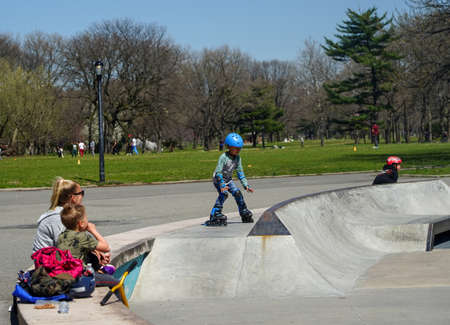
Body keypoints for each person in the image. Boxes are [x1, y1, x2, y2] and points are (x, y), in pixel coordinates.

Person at [57, 203, 118, 287]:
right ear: (81, 223)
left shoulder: (61, 236)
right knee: (116, 282)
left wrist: (98, 254)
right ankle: (121, 300)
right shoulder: (82, 236)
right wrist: (93, 230)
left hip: (64, 275)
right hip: (80, 278)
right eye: (86, 218)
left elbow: (76, 249)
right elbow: (106, 247)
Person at [206, 133, 254, 226]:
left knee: (237, 193)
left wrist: (246, 185)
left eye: (239, 149)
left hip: (228, 179)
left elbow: (240, 173)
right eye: (235, 148)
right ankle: (215, 213)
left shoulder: (238, 158)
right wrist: (222, 185)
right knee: (224, 194)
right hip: (218, 179)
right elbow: (218, 172)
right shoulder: (223, 157)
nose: (238, 151)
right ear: (229, 146)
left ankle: (243, 211)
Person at [32, 177, 84, 252]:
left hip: (57, 257)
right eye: (81, 193)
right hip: (47, 261)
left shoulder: (66, 213)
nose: (82, 196)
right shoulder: (58, 218)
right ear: (73, 197)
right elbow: (66, 247)